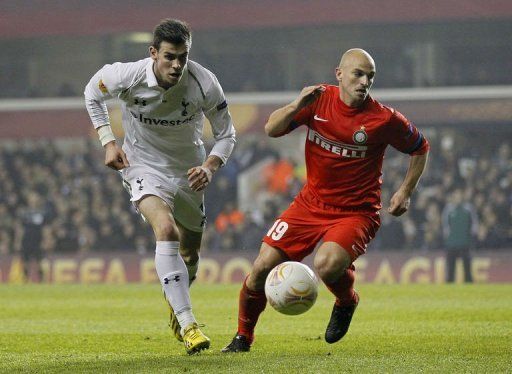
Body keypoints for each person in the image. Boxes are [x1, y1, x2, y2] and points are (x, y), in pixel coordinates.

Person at [222, 48, 429, 352]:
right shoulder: (318, 101)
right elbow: (271, 129)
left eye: (370, 77)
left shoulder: (383, 119)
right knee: (261, 267)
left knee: (327, 265)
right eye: (358, 74)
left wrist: (405, 190)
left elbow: (420, 147)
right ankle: (243, 337)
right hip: (309, 204)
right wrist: (297, 104)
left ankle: (346, 300)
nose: (364, 82)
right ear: (339, 74)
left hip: (356, 212)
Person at [84, 19, 236, 354]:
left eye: (182, 56)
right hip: (143, 166)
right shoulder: (127, 75)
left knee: (191, 250)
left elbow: (227, 135)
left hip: (189, 172)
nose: (177, 64)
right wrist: (109, 141)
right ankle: (189, 324)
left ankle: (177, 297)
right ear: (153, 53)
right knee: (166, 230)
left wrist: (210, 167)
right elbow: (92, 93)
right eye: (169, 56)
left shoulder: (204, 83)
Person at [442, 188, 478, 283]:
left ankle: (469, 285)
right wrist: (447, 238)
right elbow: (445, 225)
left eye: (459, 195)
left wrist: (472, 236)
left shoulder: (469, 208)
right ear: (453, 197)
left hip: (465, 242)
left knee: (467, 267)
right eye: (456, 195)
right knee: (450, 268)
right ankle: (449, 286)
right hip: (452, 243)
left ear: (462, 196)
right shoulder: (448, 209)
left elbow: (474, 224)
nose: (458, 197)